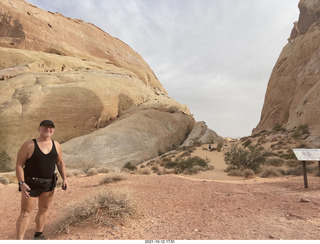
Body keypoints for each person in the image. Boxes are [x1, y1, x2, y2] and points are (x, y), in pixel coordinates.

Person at [15, 120, 68, 240]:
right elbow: (19, 164)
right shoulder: (29, 145)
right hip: (30, 184)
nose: (48, 130)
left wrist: (64, 178)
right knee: (25, 213)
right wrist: (22, 183)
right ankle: (19, 240)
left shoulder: (56, 145)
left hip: (49, 184)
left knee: (44, 209)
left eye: (51, 128)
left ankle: (38, 235)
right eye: (45, 127)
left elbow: (59, 162)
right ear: (39, 129)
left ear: (53, 130)